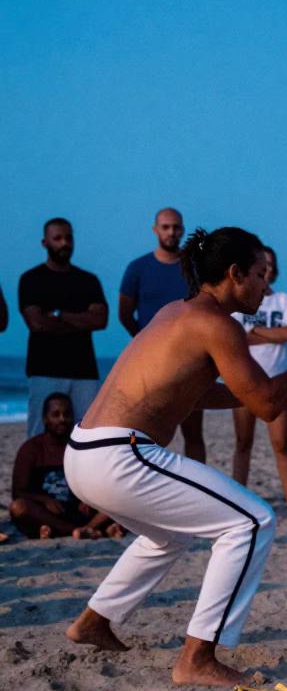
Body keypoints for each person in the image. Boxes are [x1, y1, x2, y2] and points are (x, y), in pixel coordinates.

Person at [64, 226, 287, 689]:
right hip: (120, 455)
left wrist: (254, 391)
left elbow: (199, 393)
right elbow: (270, 404)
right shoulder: (217, 324)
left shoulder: (176, 312)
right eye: (259, 274)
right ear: (235, 274)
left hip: (83, 454)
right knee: (251, 521)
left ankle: (93, 621)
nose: (265, 284)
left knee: (168, 536)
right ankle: (196, 660)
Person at [119, 207, 206, 463]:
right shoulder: (138, 268)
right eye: (166, 227)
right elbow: (124, 314)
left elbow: (205, 311)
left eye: (176, 227)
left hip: (190, 363)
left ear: (182, 230)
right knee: (148, 434)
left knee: (193, 434)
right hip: (151, 366)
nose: (171, 232)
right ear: (156, 230)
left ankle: (197, 495)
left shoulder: (194, 269)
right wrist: (145, 342)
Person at [232, 246, 287, 522]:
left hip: (277, 383)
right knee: (242, 443)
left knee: (281, 444)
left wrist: (256, 331)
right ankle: (237, 502)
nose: (268, 269)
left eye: (272, 264)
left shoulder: (284, 299)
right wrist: (268, 335)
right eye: (263, 265)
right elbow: (237, 338)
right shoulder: (242, 302)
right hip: (245, 382)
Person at [19, 218, 108, 437]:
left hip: (84, 372)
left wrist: (59, 315)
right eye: (57, 238)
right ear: (44, 243)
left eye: (68, 238)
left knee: (87, 436)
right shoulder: (31, 280)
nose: (64, 243)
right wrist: (80, 322)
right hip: (44, 371)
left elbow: (100, 321)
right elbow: (37, 324)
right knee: (40, 435)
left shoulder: (88, 281)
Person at [10, 392, 123, 539]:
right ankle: (83, 530)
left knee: (120, 498)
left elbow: (100, 481)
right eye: (55, 415)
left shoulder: (82, 445)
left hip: (81, 511)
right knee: (18, 507)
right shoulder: (31, 449)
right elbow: (18, 492)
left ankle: (78, 529)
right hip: (48, 513)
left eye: (67, 414)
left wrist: (89, 498)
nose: (62, 419)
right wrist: (44, 500)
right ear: (45, 418)